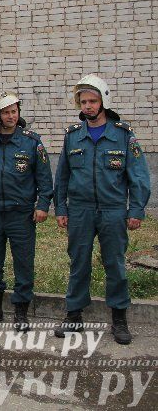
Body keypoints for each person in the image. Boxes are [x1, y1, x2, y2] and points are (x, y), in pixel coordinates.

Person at [54, 74, 151, 344]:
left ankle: (119, 319)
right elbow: (62, 176)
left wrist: (136, 210)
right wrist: (61, 208)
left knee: (115, 264)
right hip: (81, 211)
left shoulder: (122, 135)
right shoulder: (73, 137)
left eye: (93, 101)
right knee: (79, 263)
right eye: (83, 101)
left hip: (113, 210)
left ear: (103, 101)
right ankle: (74, 316)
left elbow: (139, 175)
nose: (88, 106)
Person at [0, 92, 53, 331]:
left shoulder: (31, 141)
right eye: (6, 112)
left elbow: (45, 179)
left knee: (23, 264)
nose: (11, 116)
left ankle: (21, 313)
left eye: (14, 111)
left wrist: (43, 205)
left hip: (21, 215)